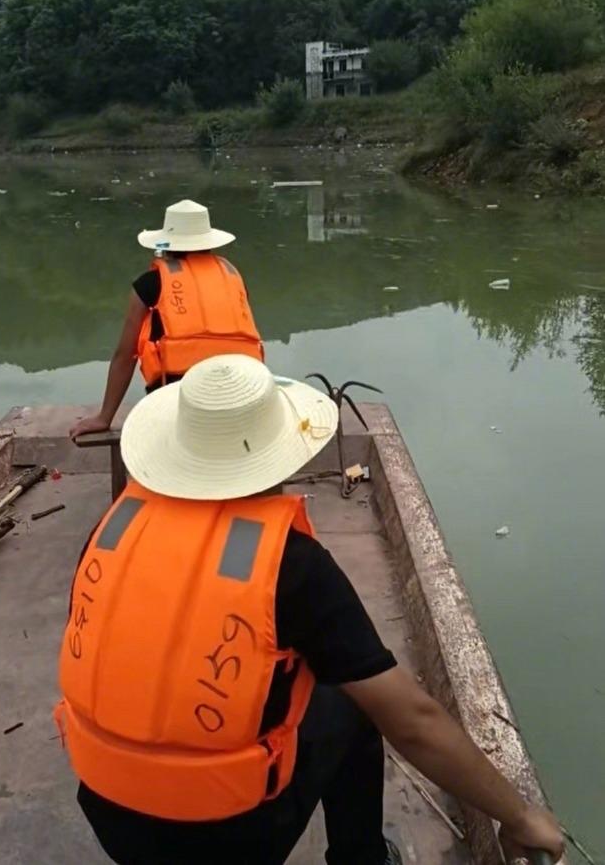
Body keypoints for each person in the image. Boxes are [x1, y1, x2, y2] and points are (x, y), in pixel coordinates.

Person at [56, 356, 564, 865]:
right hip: (223, 841)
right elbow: (413, 722)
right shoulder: (289, 565)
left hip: (109, 814)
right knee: (355, 702)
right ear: (278, 454)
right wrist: (519, 817)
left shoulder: (113, 530)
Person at [69, 199, 262, 439]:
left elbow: (125, 355)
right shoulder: (232, 276)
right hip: (245, 394)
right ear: (208, 243)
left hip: (180, 402)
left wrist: (104, 418)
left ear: (167, 246)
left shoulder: (150, 284)